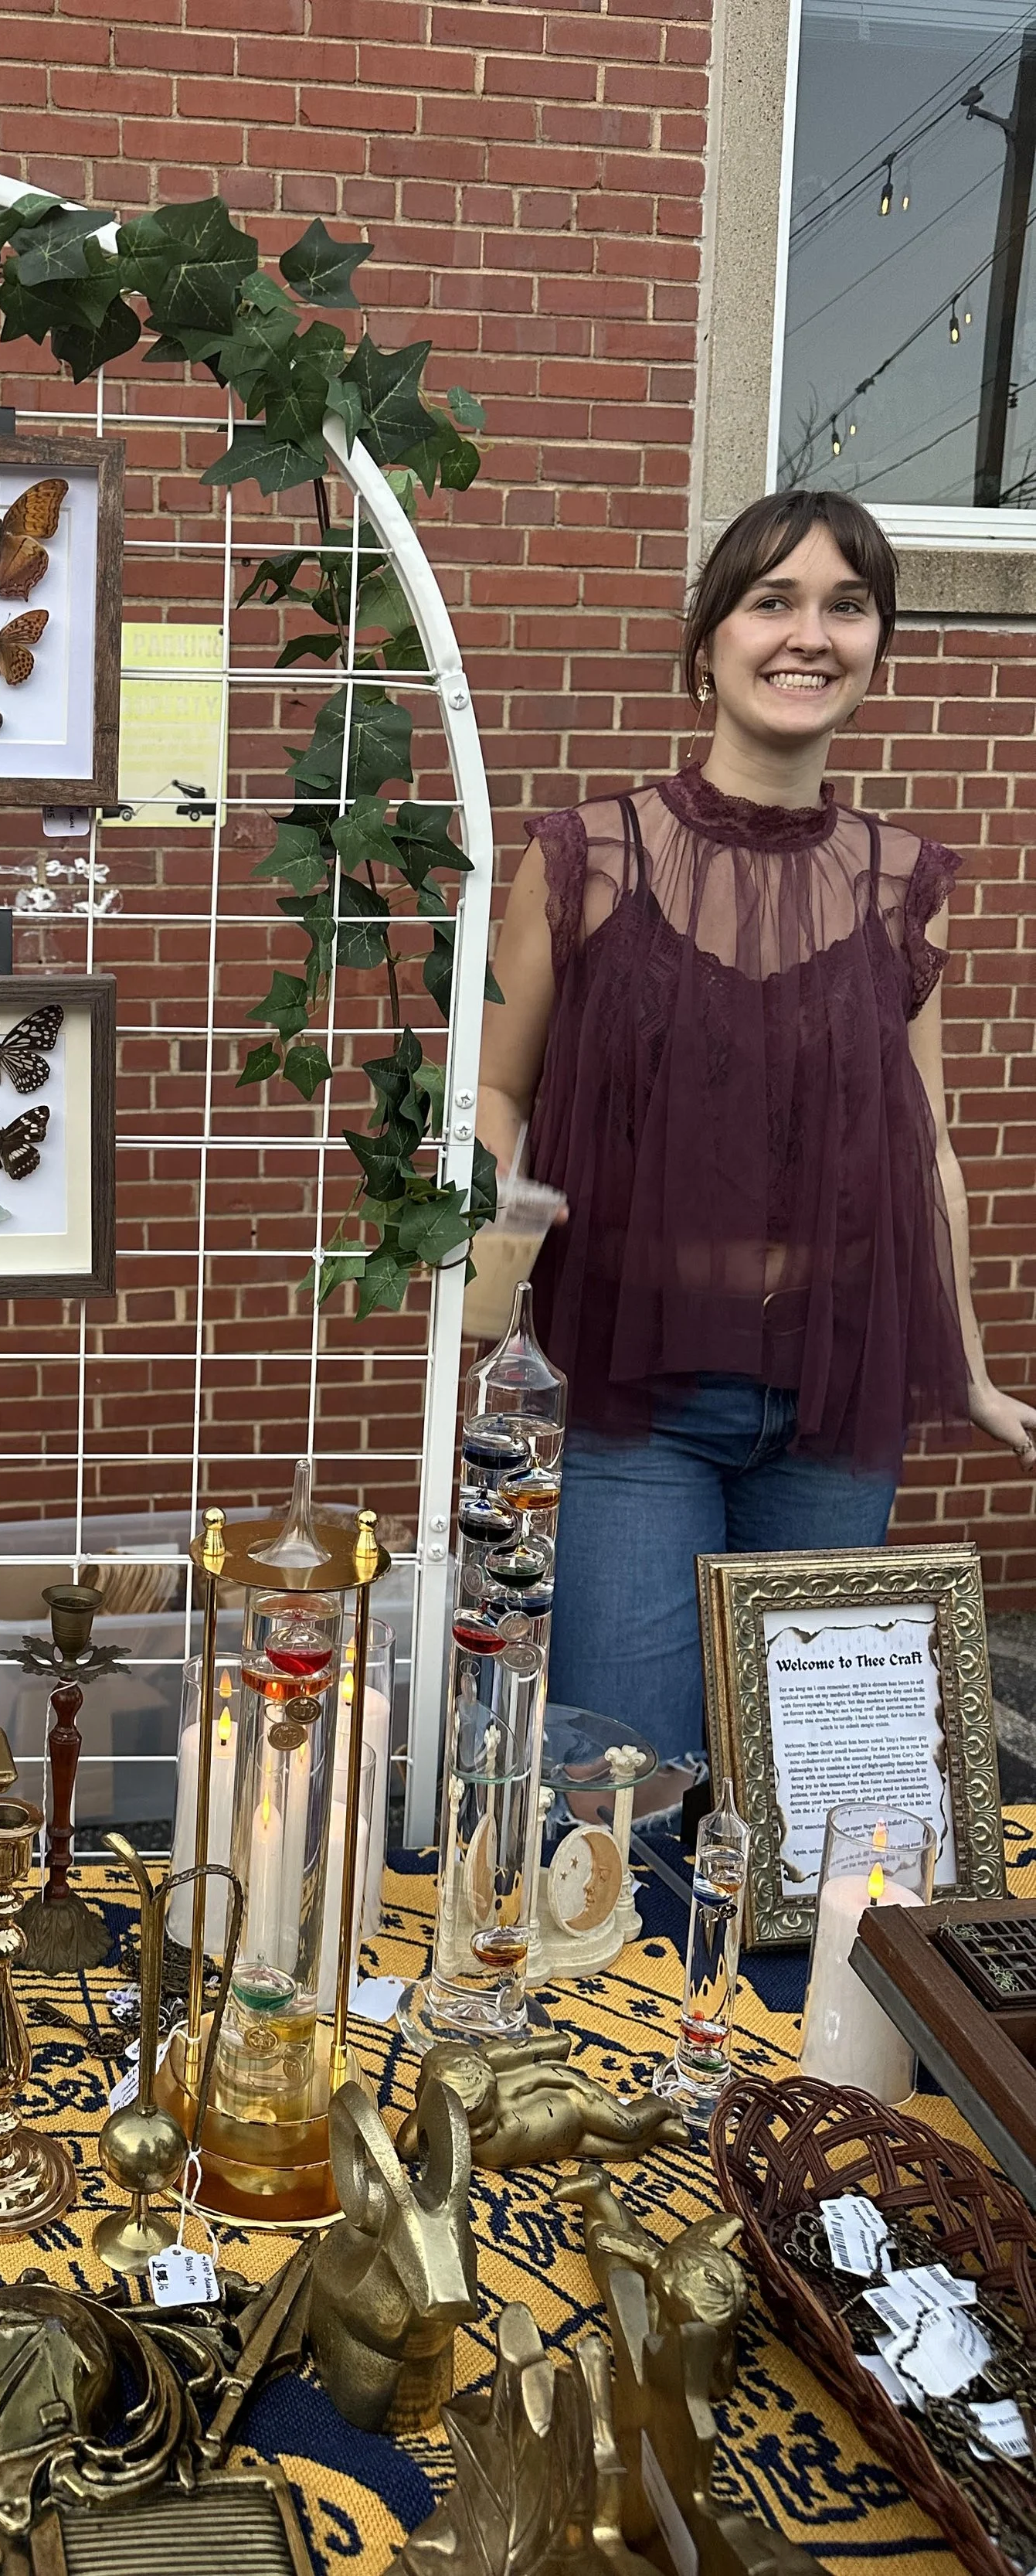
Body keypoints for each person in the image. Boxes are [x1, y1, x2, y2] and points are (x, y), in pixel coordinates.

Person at [477, 488, 1036, 1785]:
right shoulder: (584, 861)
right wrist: (496, 1259)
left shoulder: (910, 887)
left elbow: (927, 1148)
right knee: (626, 1781)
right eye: (772, 600)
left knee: (806, 1805)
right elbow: (497, 1092)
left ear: (877, 649)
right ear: (709, 644)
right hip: (636, 1401)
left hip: (838, 1405)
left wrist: (971, 1370)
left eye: (848, 606)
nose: (810, 634)